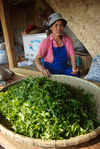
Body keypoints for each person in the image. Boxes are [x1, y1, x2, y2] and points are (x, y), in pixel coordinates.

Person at [35, 13, 80, 77]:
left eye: (61, 25)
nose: (59, 28)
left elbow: (73, 56)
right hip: (50, 71)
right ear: (51, 27)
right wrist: (42, 69)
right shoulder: (45, 42)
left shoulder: (68, 40)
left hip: (64, 69)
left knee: (76, 75)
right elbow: (37, 59)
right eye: (56, 25)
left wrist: (74, 67)